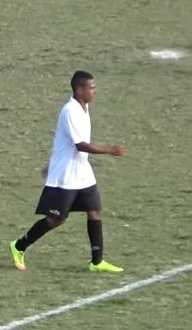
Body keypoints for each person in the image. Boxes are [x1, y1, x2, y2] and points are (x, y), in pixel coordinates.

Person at [9, 71, 127, 272]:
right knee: (56, 219)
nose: (95, 91)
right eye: (92, 88)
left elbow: (62, 142)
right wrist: (110, 150)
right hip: (66, 177)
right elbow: (80, 145)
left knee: (95, 212)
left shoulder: (84, 106)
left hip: (83, 173)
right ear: (79, 90)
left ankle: (96, 262)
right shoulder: (70, 111)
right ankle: (19, 246)